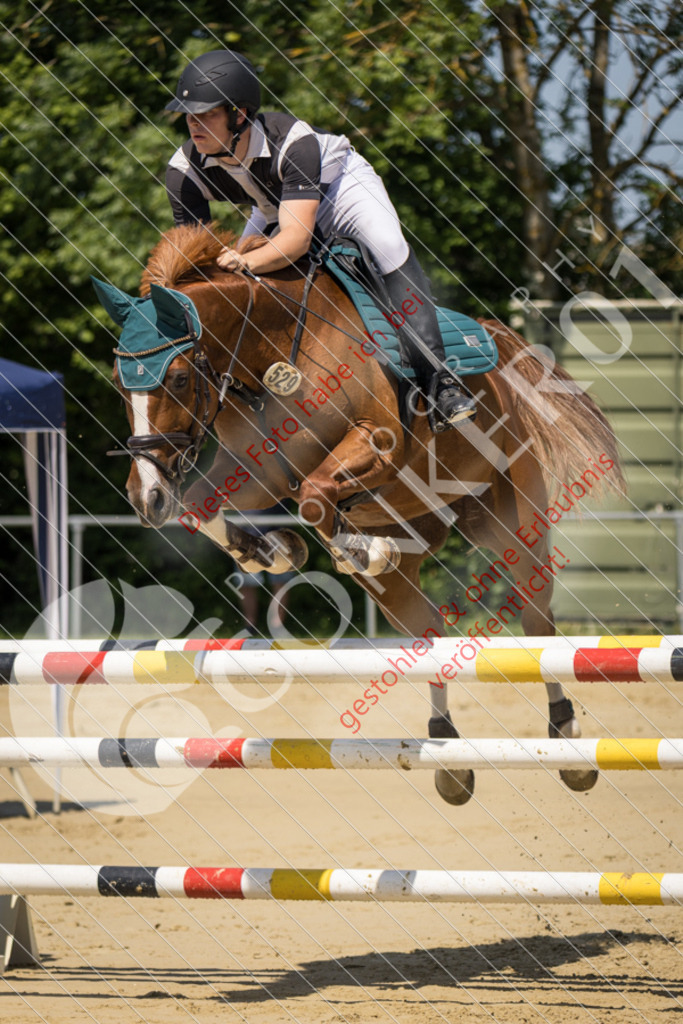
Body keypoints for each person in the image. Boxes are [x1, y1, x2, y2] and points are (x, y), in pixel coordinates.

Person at [164, 49, 476, 432]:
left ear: (239, 114)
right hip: (274, 205)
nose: (193, 125)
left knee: (388, 245)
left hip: (341, 190)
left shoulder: (293, 141)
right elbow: (199, 265)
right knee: (230, 285)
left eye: (206, 114)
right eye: (189, 116)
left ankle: (439, 380)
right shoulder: (182, 173)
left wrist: (248, 260)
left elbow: (296, 239)